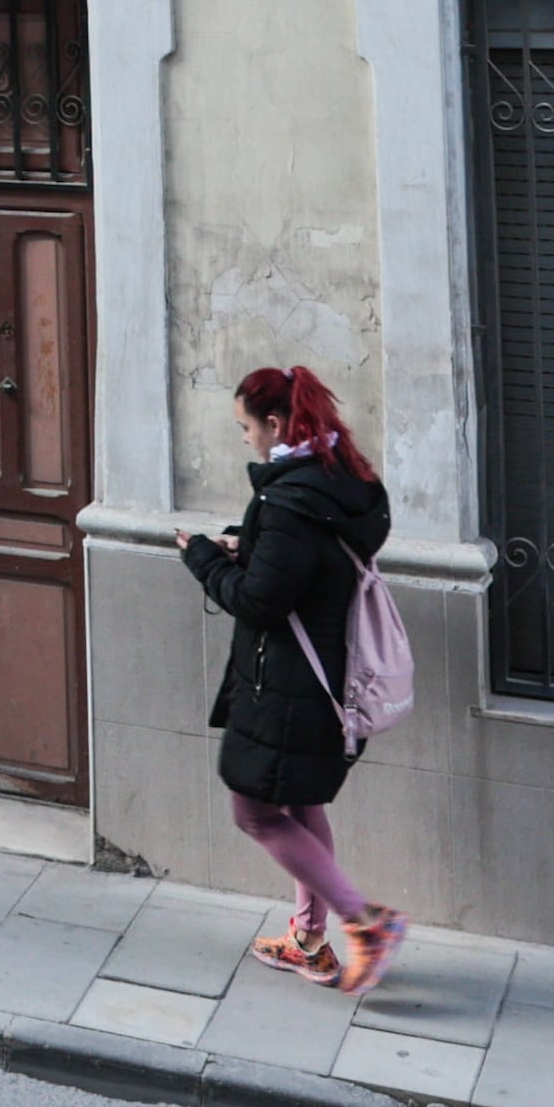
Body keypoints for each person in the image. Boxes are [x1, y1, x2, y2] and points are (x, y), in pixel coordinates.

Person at [179, 363, 404, 994]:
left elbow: (259, 602)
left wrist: (199, 556)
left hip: (285, 686)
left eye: (245, 428)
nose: (244, 440)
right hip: (325, 675)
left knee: (253, 809)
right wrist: (245, 547)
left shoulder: (285, 500)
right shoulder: (343, 479)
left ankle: (366, 923)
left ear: (275, 424)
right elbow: (304, 569)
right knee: (302, 803)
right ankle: (310, 939)